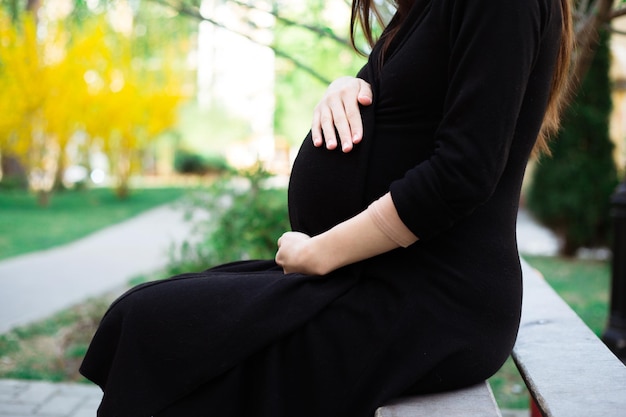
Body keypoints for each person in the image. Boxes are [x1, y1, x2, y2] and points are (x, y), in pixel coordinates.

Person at [80, 0, 573, 415]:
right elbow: (418, 102)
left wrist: (321, 254)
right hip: (380, 279)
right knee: (140, 316)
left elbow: (463, 173)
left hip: (433, 301)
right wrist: (352, 87)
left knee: (158, 332)